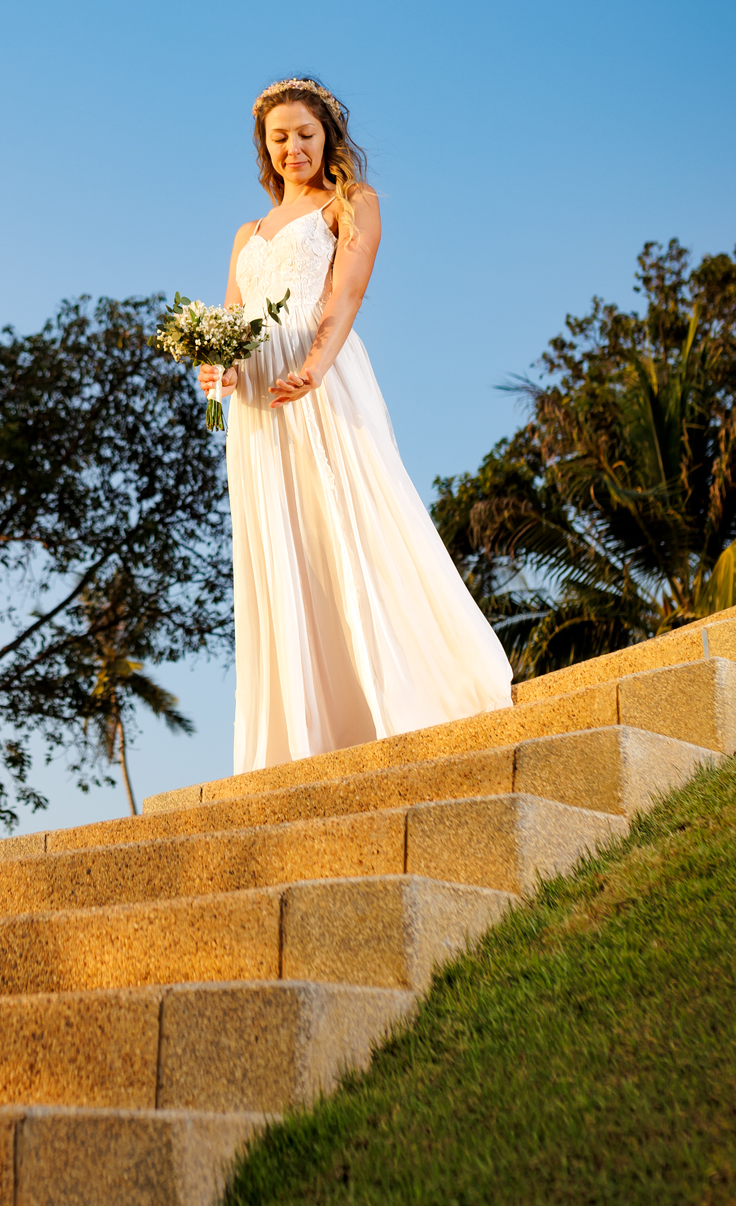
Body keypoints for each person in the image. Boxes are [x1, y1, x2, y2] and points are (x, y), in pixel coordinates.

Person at [198, 76, 513, 773]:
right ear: (266, 147)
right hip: (256, 400)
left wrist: (315, 364)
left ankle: (397, 691)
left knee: (350, 514)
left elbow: (348, 291)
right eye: (279, 138)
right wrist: (215, 367)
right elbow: (229, 314)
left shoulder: (352, 204)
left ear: (328, 137)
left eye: (304, 134)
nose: (292, 148)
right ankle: (306, 726)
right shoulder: (246, 232)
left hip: (319, 377)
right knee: (283, 538)